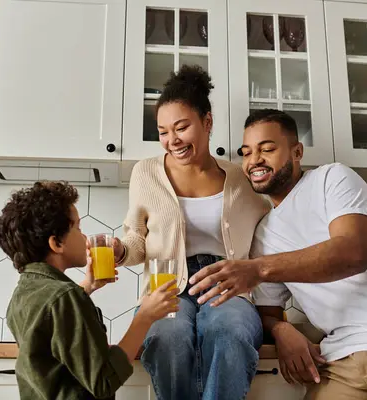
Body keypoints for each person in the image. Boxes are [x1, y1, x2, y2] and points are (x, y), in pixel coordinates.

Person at [188, 109, 367, 399]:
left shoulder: (333, 178)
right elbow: (269, 310)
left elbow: (352, 253)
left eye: (268, 149)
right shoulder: (263, 234)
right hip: (342, 358)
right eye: (247, 152)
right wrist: (281, 331)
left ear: (297, 151)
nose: (254, 160)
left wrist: (258, 269)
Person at [111, 65, 270, 400]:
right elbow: (136, 239)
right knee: (167, 337)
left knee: (229, 332)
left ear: (207, 123)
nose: (173, 140)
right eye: (164, 131)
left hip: (226, 283)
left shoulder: (240, 177)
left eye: (182, 127)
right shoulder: (146, 173)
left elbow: (266, 230)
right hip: (166, 283)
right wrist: (120, 252)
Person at [0, 181, 179, 400]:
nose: (84, 237)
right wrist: (144, 317)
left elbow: (52, 322)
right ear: (56, 244)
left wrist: (87, 287)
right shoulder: (64, 297)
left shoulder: (24, 292)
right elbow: (104, 381)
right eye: (78, 229)